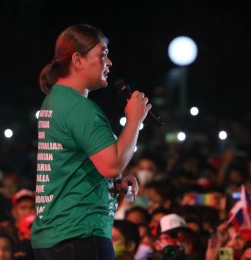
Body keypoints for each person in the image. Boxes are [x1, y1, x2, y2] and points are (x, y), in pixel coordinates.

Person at [30, 23, 151, 260]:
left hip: (56, 236)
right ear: (78, 60)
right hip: (80, 234)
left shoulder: (57, 100)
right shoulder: (79, 107)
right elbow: (112, 165)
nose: (109, 63)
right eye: (103, 55)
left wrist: (109, 185)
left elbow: (79, 166)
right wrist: (134, 120)